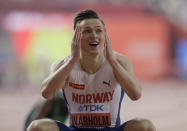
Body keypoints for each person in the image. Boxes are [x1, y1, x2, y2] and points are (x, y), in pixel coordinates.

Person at [27, 9, 156, 131]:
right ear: (76, 36)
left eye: (98, 31)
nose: (94, 35)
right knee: (37, 126)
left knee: (145, 126)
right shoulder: (63, 64)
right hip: (76, 129)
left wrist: (112, 62)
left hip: (111, 129)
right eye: (87, 31)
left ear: (104, 35)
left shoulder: (120, 62)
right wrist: (72, 62)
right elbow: (47, 93)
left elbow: (136, 94)